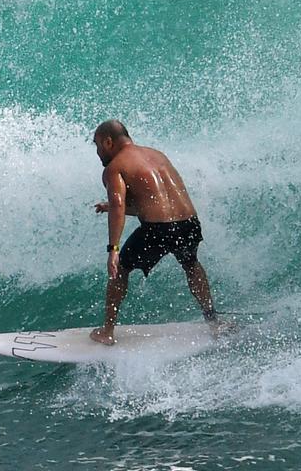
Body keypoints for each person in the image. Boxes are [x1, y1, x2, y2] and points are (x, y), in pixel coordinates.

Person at [89, 119, 225, 345]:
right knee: (191, 266)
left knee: (120, 270)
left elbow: (118, 205)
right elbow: (159, 203)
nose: (97, 152)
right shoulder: (157, 155)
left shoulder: (115, 167)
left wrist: (113, 249)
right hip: (189, 222)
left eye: (97, 146)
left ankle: (108, 332)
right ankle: (214, 322)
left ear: (108, 141)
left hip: (158, 229)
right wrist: (110, 206)